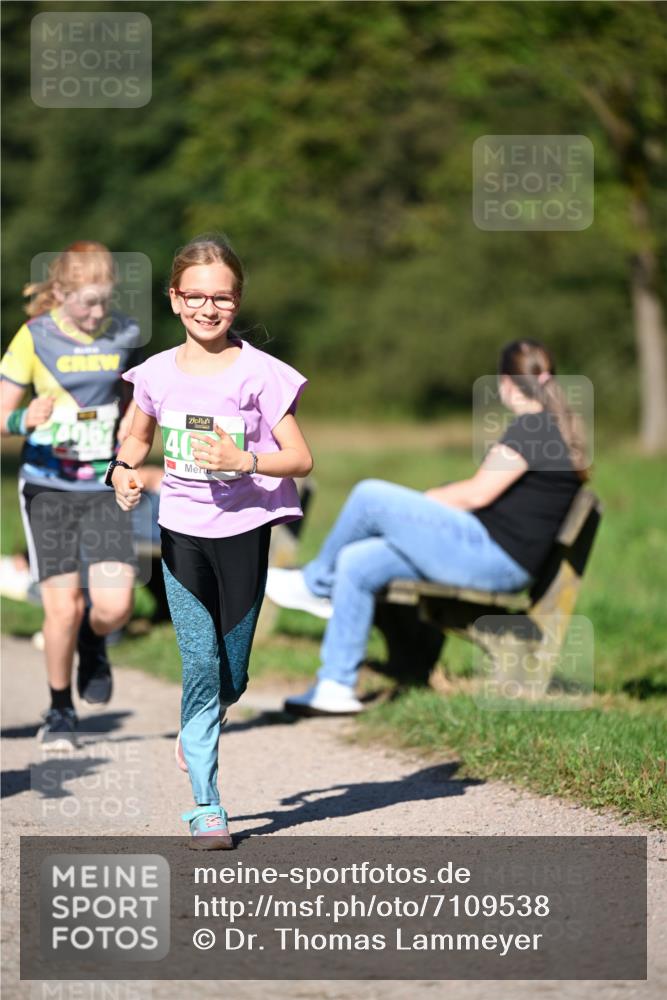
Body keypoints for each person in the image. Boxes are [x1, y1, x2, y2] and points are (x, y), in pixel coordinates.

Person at [110, 234, 312, 848]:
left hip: (244, 533)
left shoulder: (260, 374)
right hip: (182, 532)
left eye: (220, 297)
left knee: (234, 675)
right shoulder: (155, 374)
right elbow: (136, 439)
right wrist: (121, 472)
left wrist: (244, 457)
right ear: (174, 299)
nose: (207, 308)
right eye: (194, 296)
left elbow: (300, 459)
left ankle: (200, 719)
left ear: (236, 300)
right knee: (198, 662)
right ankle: (206, 804)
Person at [266, 339, 589, 715]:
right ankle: (336, 685)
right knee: (357, 561)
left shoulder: (532, 429)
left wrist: (424, 503)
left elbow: (477, 494)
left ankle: (316, 584)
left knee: (370, 496)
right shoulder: (553, 429)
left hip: (493, 558)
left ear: (505, 382)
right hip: (493, 553)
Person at [0, 242, 143, 745]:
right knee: (63, 605)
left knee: (114, 608)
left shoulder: (124, 333)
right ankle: (60, 708)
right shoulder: (33, 337)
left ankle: (93, 642)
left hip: (101, 485)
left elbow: (134, 403)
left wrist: (132, 429)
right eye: (87, 302)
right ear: (59, 292)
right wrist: (23, 419)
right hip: (48, 488)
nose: (97, 312)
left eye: (105, 300)